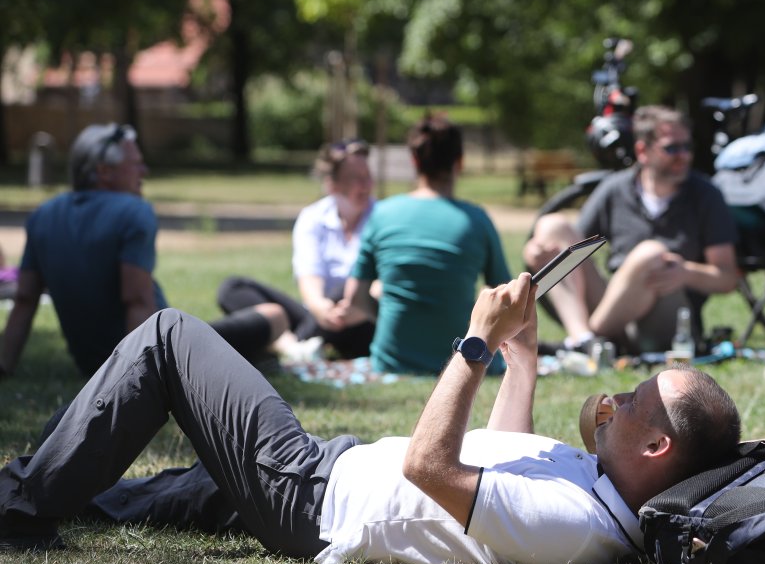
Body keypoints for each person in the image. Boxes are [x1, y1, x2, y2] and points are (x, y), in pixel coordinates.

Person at [0, 273, 743, 564]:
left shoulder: (576, 524)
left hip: (309, 492)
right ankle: (35, 487)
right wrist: (522, 366)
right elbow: (500, 458)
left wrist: (477, 345)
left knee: (168, 337)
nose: (622, 392)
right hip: (329, 469)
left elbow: (432, 468)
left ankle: (23, 507)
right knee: (169, 493)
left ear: (657, 444)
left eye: (639, 395)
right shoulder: (598, 490)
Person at [0, 124, 288, 379]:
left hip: (90, 364)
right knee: (275, 315)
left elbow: (25, 299)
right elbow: (136, 300)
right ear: (104, 171)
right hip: (158, 355)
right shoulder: (133, 212)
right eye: (135, 164)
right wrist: (139, 380)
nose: (144, 171)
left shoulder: (44, 215)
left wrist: (4, 365)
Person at [523, 105, 739, 354]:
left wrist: (686, 272)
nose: (684, 156)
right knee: (552, 227)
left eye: (687, 147)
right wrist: (538, 253)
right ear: (642, 151)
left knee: (651, 254)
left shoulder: (706, 195)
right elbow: (574, 255)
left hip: (667, 320)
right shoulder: (615, 189)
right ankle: (582, 338)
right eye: (672, 148)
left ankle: (586, 342)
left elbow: (727, 277)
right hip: (613, 308)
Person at [344, 114, 510, 375]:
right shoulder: (476, 220)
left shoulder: (382, 214)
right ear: (460, 163)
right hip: (467, 362)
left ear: (414, 160)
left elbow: (354, 298)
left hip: (392, 362)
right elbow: (506, 297)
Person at [214, 138, 377, 362]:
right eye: (356, 179)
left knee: (348, 288)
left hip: (363, 319)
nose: (366, 185)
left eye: (367, 176)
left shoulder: (382, 218)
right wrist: (320, 308)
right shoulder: (313, 217)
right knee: (232, 288)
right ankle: (292, 346)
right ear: (332, 184)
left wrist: (357, 307)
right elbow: (310, 280)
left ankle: (294, 342)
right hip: (317, 314)